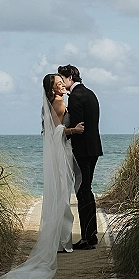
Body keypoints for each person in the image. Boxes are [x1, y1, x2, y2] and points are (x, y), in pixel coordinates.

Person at [0, 73, 84, 279]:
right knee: (62, 195)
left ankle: (60, 240)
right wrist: (76, 129)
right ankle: (61, 241)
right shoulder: (60, 102)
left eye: (63, 83)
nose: (62, 86)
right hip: (62, 151)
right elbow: (58, 130)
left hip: (58, 152)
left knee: (59, 194)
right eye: (59, 84)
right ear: (52, 89)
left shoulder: (52, 102)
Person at [57, 64, 103, 250]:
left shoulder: (76, 97)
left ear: (70, 78)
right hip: (94, 149)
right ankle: (91, 236)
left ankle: (87, 238)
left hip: (83, 151)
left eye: (62, 78)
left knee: (83, 192)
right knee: (86, 191)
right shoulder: (90, 93)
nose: (60, 82)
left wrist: (60, 135)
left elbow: (78, 128)